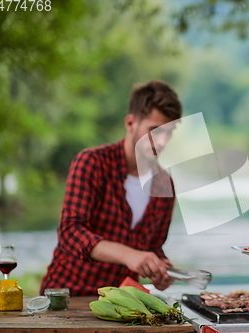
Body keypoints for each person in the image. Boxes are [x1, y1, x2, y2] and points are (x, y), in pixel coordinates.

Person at [40, 80, 182, 296]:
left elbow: (152, 246)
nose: (161, 141)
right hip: (68, 295)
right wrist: (128, 255)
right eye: (154, 130)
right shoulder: (92, 162)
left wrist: (160, 267)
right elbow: (70, 232)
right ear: (131, 124)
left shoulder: (164, 184)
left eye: (168, 132)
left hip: (121, 302)